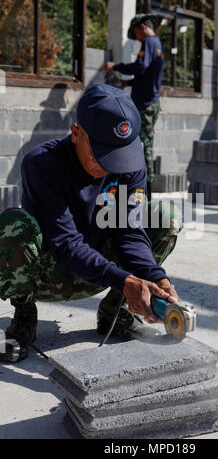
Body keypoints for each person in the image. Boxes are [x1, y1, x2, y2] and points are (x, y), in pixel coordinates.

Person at [0, 84, 182, 363]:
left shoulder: (130, 165)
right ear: (76, 134)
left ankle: (116, 311)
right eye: (103, 156)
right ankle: (24, 316)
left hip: (104, 267)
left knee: (166, 215)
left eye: (121, 156)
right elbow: (65, 243)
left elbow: (129, 230)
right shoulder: (42, 164)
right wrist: (124, 280)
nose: (113, 167)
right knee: (15, 224)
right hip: (51, 274)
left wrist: (154, 277)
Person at [103, 14, 164, 200]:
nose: (137, 37)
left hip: (145, 105)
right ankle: (143, 187)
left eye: (136, 32)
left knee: (143, 145)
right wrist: (129, 85)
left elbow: (140, 67)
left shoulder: (149, 43)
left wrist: (116, 66)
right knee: (142, 143)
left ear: (142, 27)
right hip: (150, 102)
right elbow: (148, 75)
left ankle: (147, 189)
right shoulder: (157, 44)